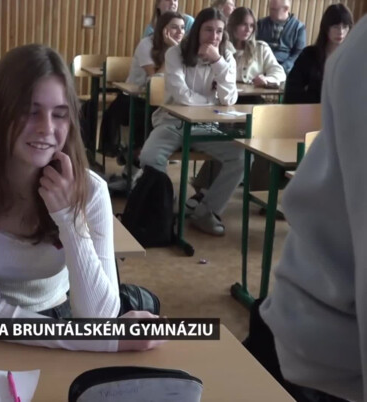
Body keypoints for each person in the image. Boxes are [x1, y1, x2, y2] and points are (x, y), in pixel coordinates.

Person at [0, 44, 164, 353]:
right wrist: (104, 341)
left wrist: (68, 217)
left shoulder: (92, 189)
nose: (46, 129)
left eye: (60, 115)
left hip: (60, 318)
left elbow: (98, 319)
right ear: (0, 114)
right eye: (31, 112)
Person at [251, 15, 367, 402]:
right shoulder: (336, 59)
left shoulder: (348, 57)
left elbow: (275, 76)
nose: (338, 32)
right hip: (331, 360)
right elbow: (294, 93)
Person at [138, 7, 241, 237]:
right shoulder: (175, 53)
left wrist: (218, 63)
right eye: (208, 30)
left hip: (205, 126)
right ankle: (164, 205)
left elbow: (229, 99)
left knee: (242, 156)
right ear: (197, 31)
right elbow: (181, 95)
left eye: (219, 32)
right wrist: (211, 103)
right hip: (173, 122)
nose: (214, 37)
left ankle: (206, 211)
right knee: (149, 157)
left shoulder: (225, 57)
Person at [190, 6, 286, 197]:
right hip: (225, 103)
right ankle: (206, 186)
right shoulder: (221, 49)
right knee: (229, 135)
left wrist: (267, 80)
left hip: (254, 101)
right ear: (232, 26)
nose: (248, 30)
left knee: (263, 132)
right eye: (243, 25)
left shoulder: (260, 48)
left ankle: (261, 191)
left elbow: (279, 72)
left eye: (251, 26)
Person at [103, 11, 186, 192]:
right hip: (132, 98)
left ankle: (135, 168)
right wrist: (173, 52)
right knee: (150, 116)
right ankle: (133, 164)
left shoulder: (183, 48)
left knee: (165, 116)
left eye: (182, 27)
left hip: (162, 101)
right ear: (163, 29)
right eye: (174, 27)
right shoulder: (146, 44)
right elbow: (154, 81)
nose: (180, 31)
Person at [284, 3, 353, 104]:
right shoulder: (309, 55)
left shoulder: (353, 58)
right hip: (310, 113)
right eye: (336, 27)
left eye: (345, 26)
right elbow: (292, 90)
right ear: (326, 28)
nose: (341, 32)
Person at [256, 0, 306, 74]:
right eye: (270, 9)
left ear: (286, 9)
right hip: (261, 63)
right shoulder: (261, 23)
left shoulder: (299, 27)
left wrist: (284, 67)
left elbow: (298, 52)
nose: (270, 12)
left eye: (274, 9)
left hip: (284, 66)